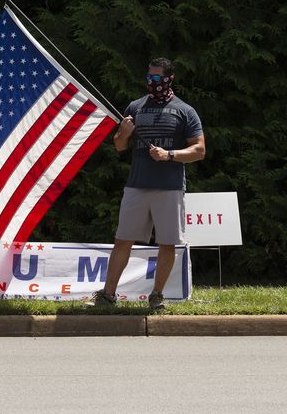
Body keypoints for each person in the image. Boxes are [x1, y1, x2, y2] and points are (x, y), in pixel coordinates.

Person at [85, 57, 205, 310]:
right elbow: (119, 146)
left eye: (158, 79)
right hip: (137, 185)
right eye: (149, 78)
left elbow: (199, 150)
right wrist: (124, 133)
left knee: (167, 243)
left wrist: (169, 155)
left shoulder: (185, 111)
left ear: (170, 79)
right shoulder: (136, 106)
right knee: (122, 240)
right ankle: (108, 296)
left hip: (170, 187)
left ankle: (157, 296)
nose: (153, 83)